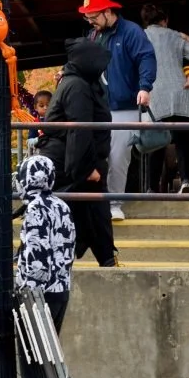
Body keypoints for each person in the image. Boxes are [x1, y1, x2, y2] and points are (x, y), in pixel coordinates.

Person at [13, 155, 114, 378]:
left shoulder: (34, 210)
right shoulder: (61, 207)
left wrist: (21, 290)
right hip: (61, 292)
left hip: (37, 295)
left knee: (35, 367)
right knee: (47, 360)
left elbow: (36, 257)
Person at [37, 38, 118, 268]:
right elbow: (78, 130)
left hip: (75, 161)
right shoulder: (77, 86)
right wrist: (85, 169)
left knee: (91, 213)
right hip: (72, 163)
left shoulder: (80, 83)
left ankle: (106, 259)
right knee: (83, 213)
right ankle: (104, 260)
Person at [81, 0, 156, 221]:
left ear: (107, 11)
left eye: (93, 16)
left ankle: (114, 202)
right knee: (91, 153)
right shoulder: (94, 36)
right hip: (98, 106)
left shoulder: (131, 32)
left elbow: (146, 57)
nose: (90, 21)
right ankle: (94, 201)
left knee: (118, 156)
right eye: (88, 17)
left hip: (125, 105)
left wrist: (145, 87)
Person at [140, 4, 189, 193]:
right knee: (183, 141)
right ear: (165, 20)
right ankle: (186, 181)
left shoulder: (140, 37)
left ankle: (151, 188)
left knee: (156, 143)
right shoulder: (176, 36)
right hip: (182, 95)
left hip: (155, 95)